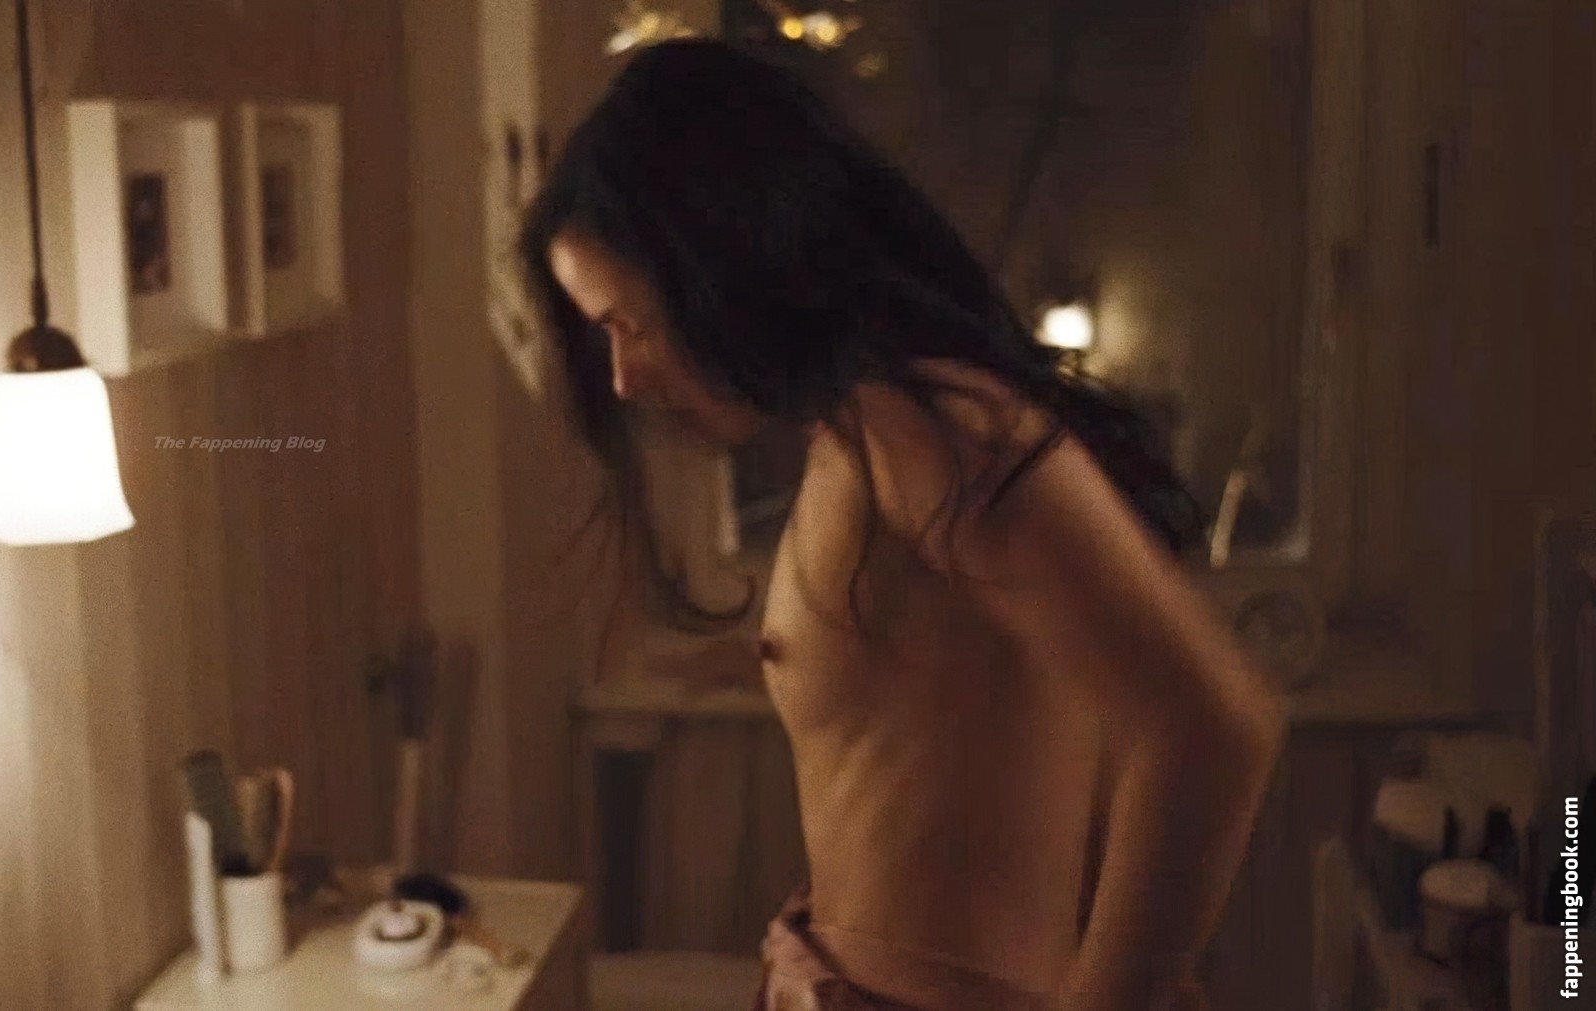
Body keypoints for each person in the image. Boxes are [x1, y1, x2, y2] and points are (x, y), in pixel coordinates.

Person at [518, 39, 1289, 1011]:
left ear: (718, 258)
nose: (624, 378)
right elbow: (937, 685)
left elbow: (1216, 725)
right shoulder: (862, 428)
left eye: (625, 324)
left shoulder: (928, 428)